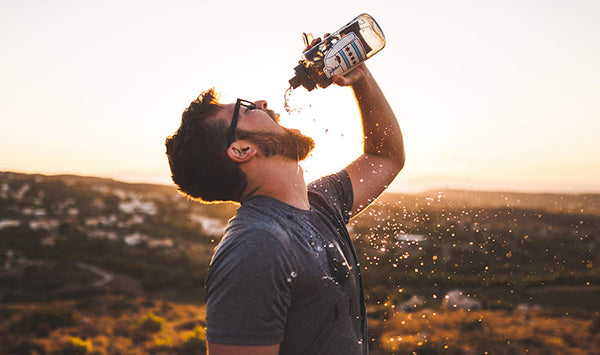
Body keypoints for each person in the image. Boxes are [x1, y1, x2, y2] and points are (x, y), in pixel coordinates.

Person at [165, 37, 405, 355]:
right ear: (241, 149)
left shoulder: (319, 205)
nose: (263, 103)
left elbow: (385, 156)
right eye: (247, 108)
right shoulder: (255, 246)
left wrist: (360, 76)